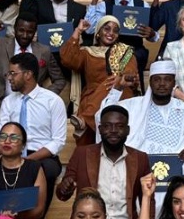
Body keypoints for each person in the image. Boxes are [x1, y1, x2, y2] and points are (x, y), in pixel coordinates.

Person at [0, 14, 65, 160]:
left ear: (35, 32)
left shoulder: (44, 51)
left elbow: (59, 79)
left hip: (31, 102)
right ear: (14, 29)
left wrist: (43, 95)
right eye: (21, 30)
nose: (25, 35)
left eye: (30, 32)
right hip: (0, 99)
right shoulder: (2, 43)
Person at [56, 105, 151, 219]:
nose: (113, 130)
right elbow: (62, 194)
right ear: (100, 129)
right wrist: (65, 188)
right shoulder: (81, 154)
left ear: (128, 130)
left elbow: (149, 200)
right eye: (107, 126)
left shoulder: (140, 158)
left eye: (119, 126)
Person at [0, 53, 67, 192]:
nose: (9, 78)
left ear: (28, 75)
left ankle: (37, 213)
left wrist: (27, 160)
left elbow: (58, 141)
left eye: (13, 73)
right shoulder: (8, 101)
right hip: (11, 152)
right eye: (8, 74)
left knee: (46, 169)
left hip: (41, 155)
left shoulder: (53, 101)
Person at [59, 14, 139, 145]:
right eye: (106, 29)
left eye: (115, 30)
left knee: (111, 85)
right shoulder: (87, 52)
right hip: (92, 97)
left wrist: (119, 80)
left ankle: (85, 120)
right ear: (98, 33)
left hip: (121, 96)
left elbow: (131, 73)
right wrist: (78, 31)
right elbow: (68, 59)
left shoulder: (125, 52)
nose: (111, 33)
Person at [121, 61, 184, 160]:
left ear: (174, 84)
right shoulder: (133, 106)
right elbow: (102, 117)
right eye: (157, 79)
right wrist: (118, 87)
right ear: (150, 82)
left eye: (167, 80)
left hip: (176, 166)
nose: (162, 84)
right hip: (140, 164)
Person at [86, 0, 154, 76]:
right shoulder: (104, 6)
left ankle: (132, 89)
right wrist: (94, 0)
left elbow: (153, 35)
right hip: (109, 50)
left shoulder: (143, 5)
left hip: (135, 50)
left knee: (136, 56)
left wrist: (152, 34)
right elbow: (89, 30)